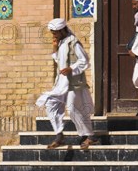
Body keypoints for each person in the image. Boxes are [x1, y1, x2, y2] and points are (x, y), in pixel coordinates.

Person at [36, 18, 99, 149]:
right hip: (61, 83)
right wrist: (54, 48)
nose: (54, 35)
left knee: (73, 109)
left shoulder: (73, 42)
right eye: (52, 33)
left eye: (56, 32)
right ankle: (59, 134)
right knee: (50, 103)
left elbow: (85, 60)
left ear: (63, 30)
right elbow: (60, 61)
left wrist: (72, 68)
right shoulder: (61, 43)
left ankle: (90, 136)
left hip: (73, 82)